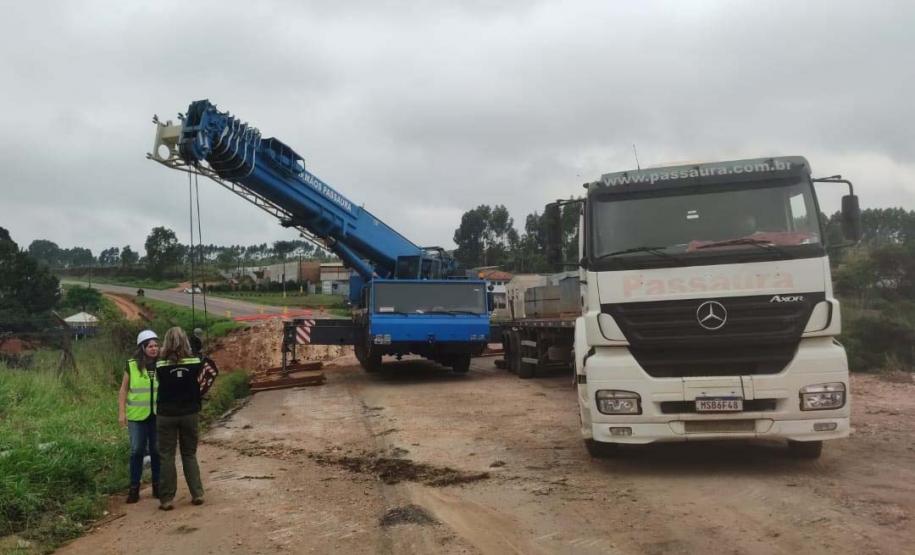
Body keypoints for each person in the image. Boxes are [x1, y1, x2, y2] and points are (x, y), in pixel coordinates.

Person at [155, 326, 206, 510]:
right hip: (189, 413)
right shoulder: (195, 362)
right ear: (185, 340)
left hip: (166, 414)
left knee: (167, 455)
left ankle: (167, 499)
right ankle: (197, 493)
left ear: (166, 342)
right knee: (189, 454)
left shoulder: (159, 364)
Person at [118, 329, 161, 503]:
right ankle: (134, 487)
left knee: (157, 451)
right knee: (136, 451)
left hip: (157, 415)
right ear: (142, 348)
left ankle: (157, 486)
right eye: (150, 346)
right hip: (137, 417)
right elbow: (123, 389)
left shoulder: (161, 364)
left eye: (156, 345)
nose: (154, 349)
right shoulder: (132, 365)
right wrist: (121, 412)